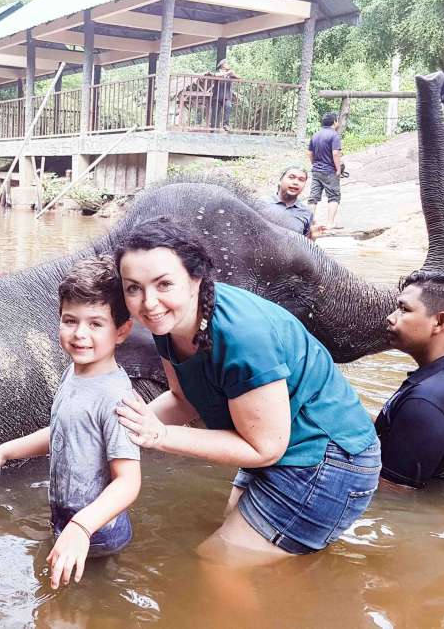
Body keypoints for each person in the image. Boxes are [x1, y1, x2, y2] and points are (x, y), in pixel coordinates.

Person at [113, 217, 380, 559]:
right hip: (282, 446)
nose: (148, 302)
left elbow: (264, 448)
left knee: (217, 562)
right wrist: (122, 423)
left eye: (164, 284)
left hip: (327, 458)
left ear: (196, 278)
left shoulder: (242, 335)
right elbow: (183, 402)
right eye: (133, 288)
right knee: (236, 540)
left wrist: (159, 437)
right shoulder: (170, 323)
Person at [0, 256, 141, 589]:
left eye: (95, 324)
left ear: (122, 331)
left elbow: (128, 481)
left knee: (87, 606)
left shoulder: (117, 398)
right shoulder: (75, 373)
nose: (80, 334)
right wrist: (5, 451)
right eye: (70, 320)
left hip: (97, 535)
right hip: (69, 523)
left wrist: (81, 527)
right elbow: (64, 433)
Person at [376, 272, 444, 489]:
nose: (391, 317)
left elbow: (394, 494)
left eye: (404, 309)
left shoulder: (426, 401)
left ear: (439, 322)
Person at [307, 112, 343, 229]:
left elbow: (310, 153)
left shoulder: (316, 135)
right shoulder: (334, 135)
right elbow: (336, 153)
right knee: (333, 196)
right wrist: (338, 169)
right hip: (329, 171)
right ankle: (330, 223)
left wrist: (315, 164)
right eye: (337, 120)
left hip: (316, 171)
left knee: (313, 197)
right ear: (334, 122)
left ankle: (310, 222)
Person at [263, 165, 319, 239]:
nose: (296, 182)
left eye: (301, 180)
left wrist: (313, 236)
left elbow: (304, 245)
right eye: (291, 177)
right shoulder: (261, 203)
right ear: (280, 180)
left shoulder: (306, 213)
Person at [211, 58, 241, 131]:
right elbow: (216, 76)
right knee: (215, 113)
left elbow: (239, 78)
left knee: (229, 107)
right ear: (222, 65)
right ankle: (212, 128)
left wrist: (233, 73)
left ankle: (226, 124)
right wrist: (227, 73)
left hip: (226, 97)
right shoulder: (217, 72)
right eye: (226, 63)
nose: (228, 65)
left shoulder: (230, 74)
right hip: (217, 96)